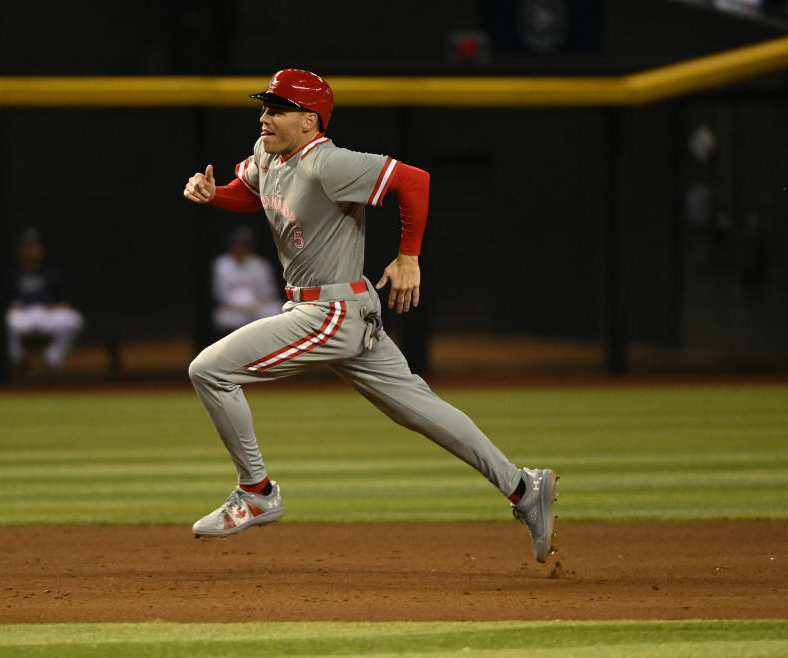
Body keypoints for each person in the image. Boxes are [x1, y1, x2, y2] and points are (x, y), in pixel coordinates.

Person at [183, 69, 558, 562]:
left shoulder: (329, 163)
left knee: (209, 370)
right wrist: (218, 196)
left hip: (329, 311)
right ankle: (523, 487)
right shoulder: (268, 155)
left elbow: (414, 181)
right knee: (421, 411)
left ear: (309, 121)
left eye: (277, 109)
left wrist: (408, 256)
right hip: (338, 309)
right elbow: (250, 193)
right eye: (265, 106)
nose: (264, 117)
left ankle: (256, 492)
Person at [7, 228, 84, 371]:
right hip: (22, 315)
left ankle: (51, 359)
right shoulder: (12, 273)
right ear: (20, 250)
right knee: (2, 323)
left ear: (41, 249)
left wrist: (56, 308)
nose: (31, 250)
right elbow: (6, 302)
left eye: (34, 246)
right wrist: (12, 306)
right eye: (27, 247)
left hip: (47, 314)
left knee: (75, 320)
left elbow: (65, 303)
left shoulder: (52, 272)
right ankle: (18, 359)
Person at [212, 225, 282, 335]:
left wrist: (256, 306)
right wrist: (241, 308)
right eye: (237, 244)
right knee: (222, 317)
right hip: (233, 310)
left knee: (276, 309)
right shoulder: (221, 263)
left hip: (257, 307)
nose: (240, 248)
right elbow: (220, 295)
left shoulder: (261, 265)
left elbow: (269, 293)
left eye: (244, 245)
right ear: (231, 245)